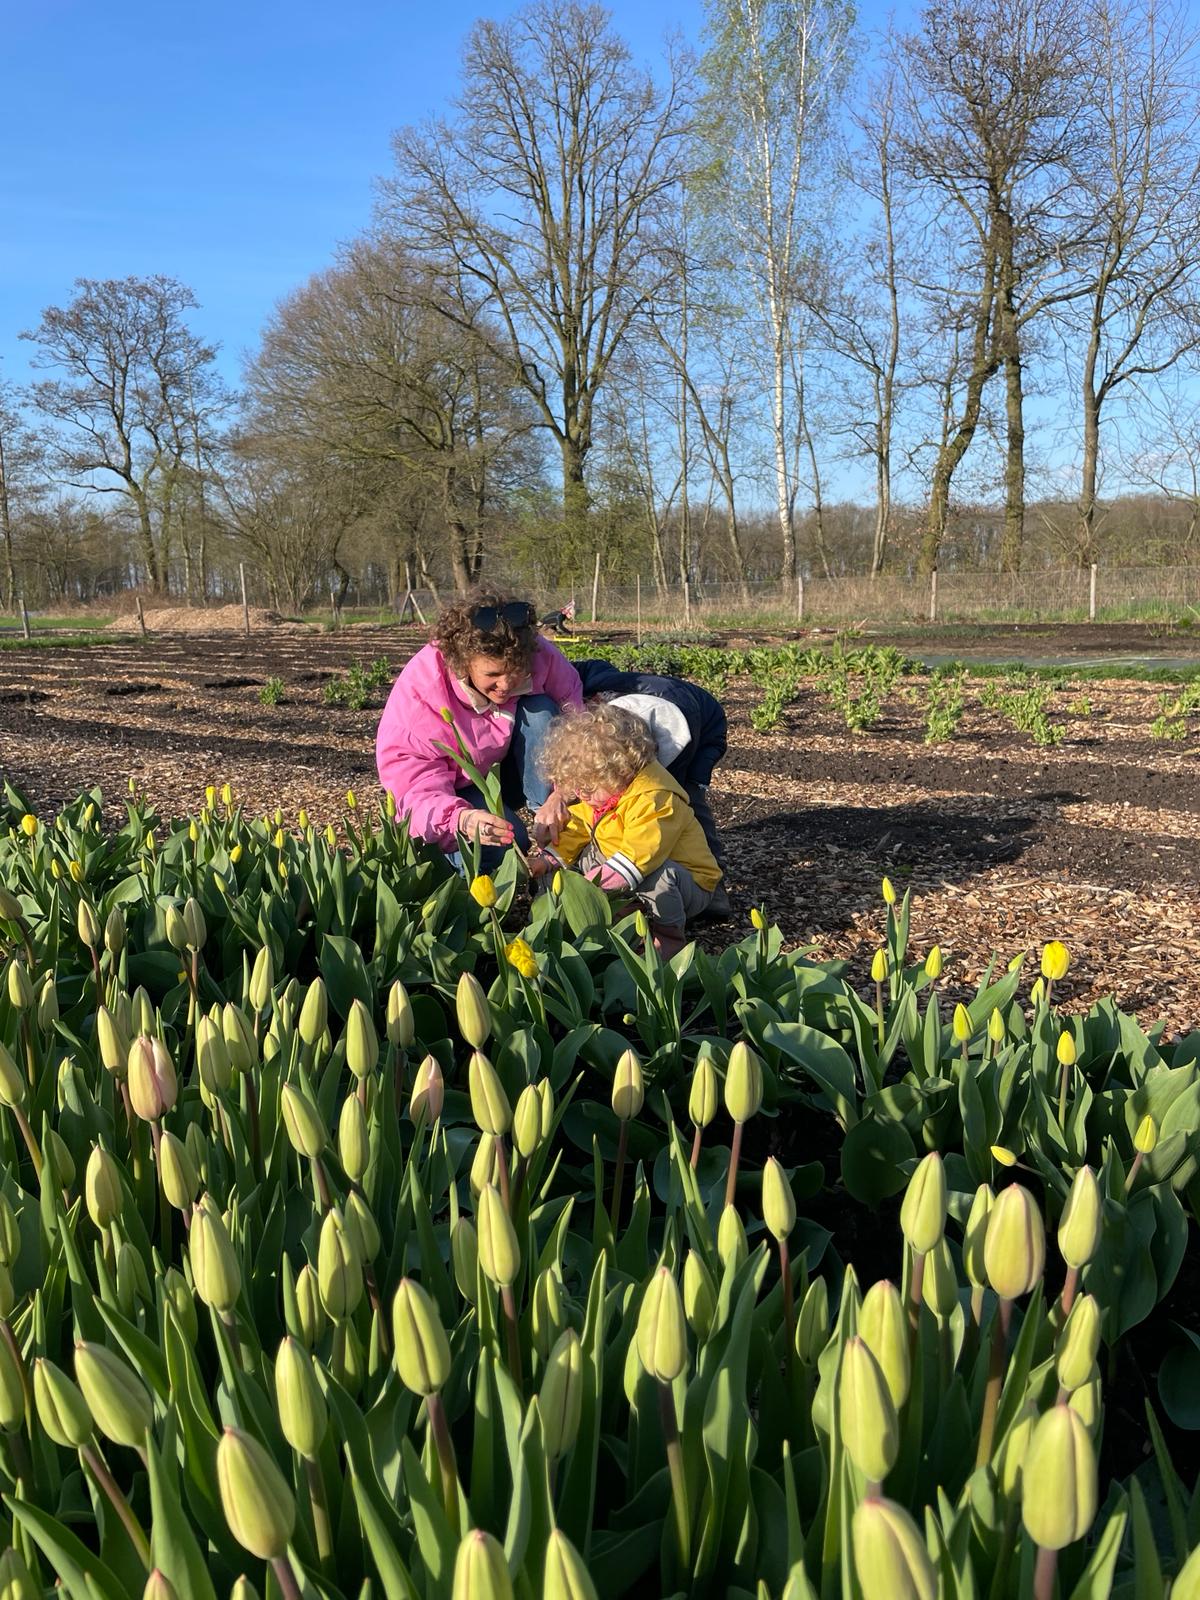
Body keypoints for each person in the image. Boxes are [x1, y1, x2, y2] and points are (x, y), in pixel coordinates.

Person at [376, 593, 581, 867]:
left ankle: (553, 832)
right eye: (492, 675)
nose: (506, 684)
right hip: (454, 789)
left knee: (542, 710)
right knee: (509, 841)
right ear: (464, 663)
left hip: (507, 766)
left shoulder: (538, 655)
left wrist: (563, 792)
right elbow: (413, 784)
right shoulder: (422, 692)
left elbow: (579, 727)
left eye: (516, 670)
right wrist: (460, 819)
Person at [531, 703, 723, 955]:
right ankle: (626, 915)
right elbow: (578, 827)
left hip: (686, 882)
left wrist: (587, 889)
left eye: (586, 789)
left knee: (658, 875)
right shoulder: (605, 794)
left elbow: (640, 856)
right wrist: (549, 860)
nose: (581, 796)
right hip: (629, 870)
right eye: (576, 789)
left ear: (621, 771)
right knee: (585, 851)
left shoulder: (656, 798)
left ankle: (668, 937)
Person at [573, 657, 729, 910]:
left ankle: (714, 887)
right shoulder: (597, 686)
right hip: (648, 713)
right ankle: (631, 860)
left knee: (684, 799)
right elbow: (589, 666)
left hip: (705, 728)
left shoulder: (673, 738)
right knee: (611, 798)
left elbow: (656, 797)